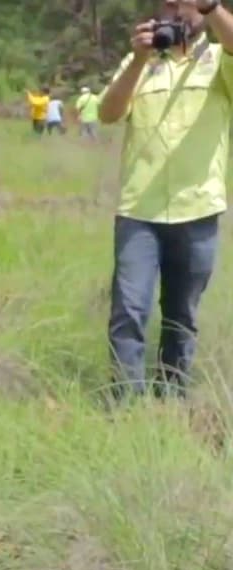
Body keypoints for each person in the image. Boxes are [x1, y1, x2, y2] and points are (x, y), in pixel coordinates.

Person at [99, 0, 233, 400]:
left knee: (181, 317)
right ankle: (124, 405)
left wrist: (211, 8)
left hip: (196, 209)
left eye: (184, 6)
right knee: (128, 313)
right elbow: (108, 113)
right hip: (140, 210)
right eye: (168, 5)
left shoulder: (217, 60)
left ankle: (171, 398)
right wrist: (138, 60)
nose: (175, 13)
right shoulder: (140, 61)